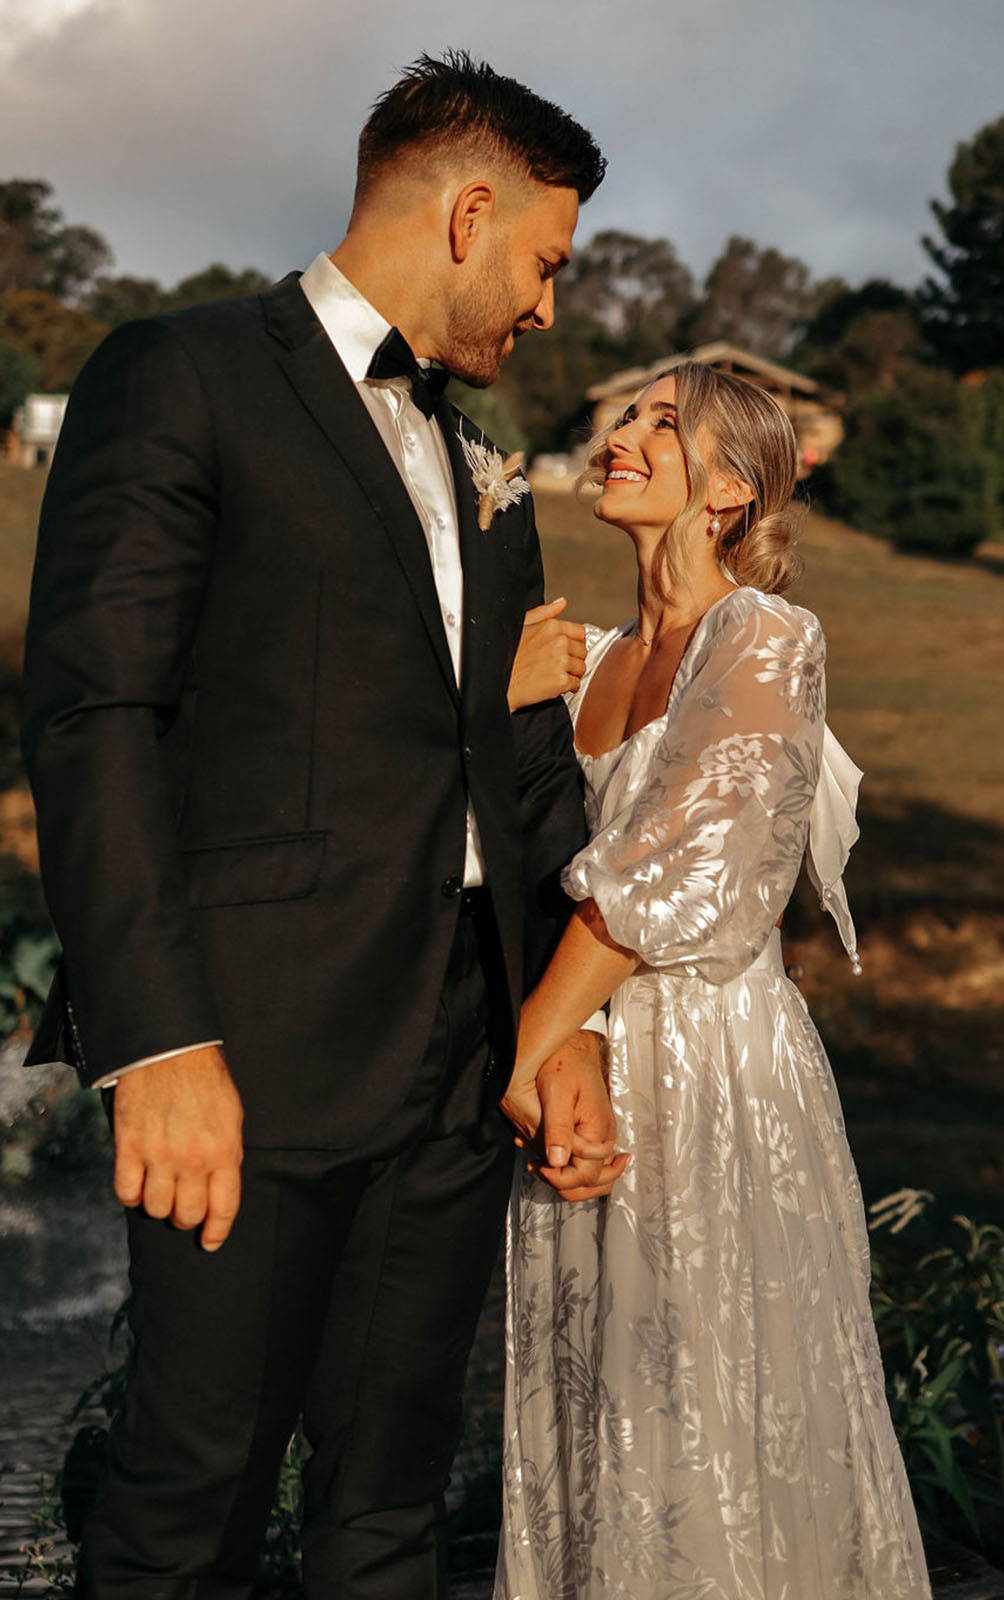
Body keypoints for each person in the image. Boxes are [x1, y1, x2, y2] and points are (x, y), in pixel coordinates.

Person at [21, 51, 625, 1600]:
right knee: (188, 1498)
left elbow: (517, 752)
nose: (547, 308)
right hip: (248, 1053)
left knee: (390, 1506)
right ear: (467, 211)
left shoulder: (484, 458)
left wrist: (558, 1025)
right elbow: (99, 719)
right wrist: (154, 1045)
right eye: (544, 264)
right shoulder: (182, 372)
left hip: (459, 1050)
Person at [496, 364, 932, 1598]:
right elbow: (514, 842)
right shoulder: (586, 663)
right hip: (587, 1067)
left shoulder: (766, 637)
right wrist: (491, 701)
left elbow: (685, 868)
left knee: (710, 1404)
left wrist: (520, 1053)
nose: (618, 434)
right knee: (597, 1416)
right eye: (621, 415)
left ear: (730, 490)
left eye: (659, 424)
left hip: (709, 1070)